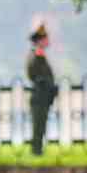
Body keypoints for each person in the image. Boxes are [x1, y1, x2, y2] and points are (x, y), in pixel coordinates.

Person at [26, 24, 58, 156]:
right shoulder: (36, 55)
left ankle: (38, 150)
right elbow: (35, 74)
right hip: (39, 94)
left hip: (44, 95)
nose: (48, 41)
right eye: (45, 38)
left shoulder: (39, 55)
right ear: (40, 40)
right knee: (38, 124)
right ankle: (36, 150)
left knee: (41, 123)